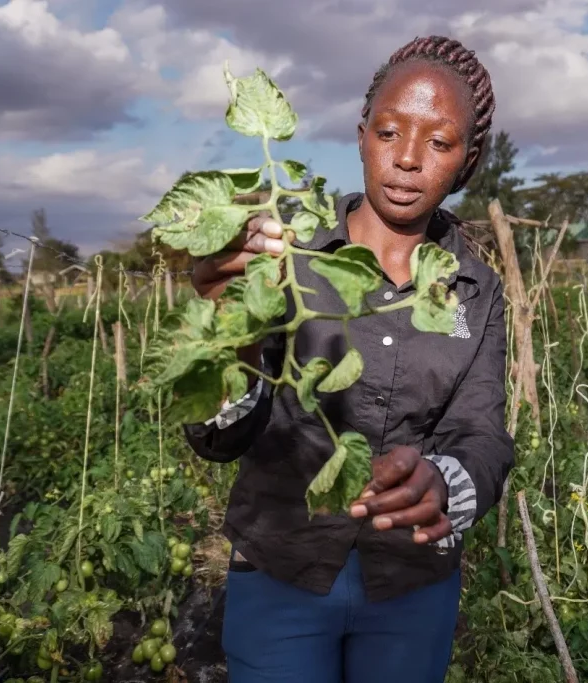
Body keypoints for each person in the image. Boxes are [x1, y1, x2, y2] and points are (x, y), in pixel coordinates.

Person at [183, 34, 514, 683]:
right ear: (362, 133)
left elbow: (485, 432)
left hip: (412, 580)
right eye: (390, 132)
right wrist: (232, 327)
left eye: (440, 143)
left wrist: (442, 479)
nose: (409, 159)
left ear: (467, 159)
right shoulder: (286, 256)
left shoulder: (474, 289)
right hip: (280, 566)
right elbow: (217, 440)